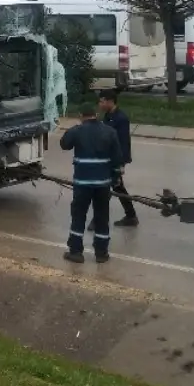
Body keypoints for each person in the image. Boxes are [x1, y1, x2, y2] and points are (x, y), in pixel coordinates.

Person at [59, 105, 124, 264]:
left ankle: (76, 252)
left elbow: (64, 144)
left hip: (83, 183)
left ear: (81, 115)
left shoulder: (77, 131)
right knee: (102, 216)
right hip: (102, 184)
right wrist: (115, 178)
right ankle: (101, 253)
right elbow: (117, 160)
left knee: (79, 215)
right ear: (96, 114)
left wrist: (73, 129)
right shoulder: (109, 132)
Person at [99, 89, 138, 227]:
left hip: (115, 160)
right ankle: (131, 215)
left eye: (102, 101)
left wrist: (122, 163)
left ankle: (98, 221)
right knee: (118, 188)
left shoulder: (121, 119)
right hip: (108, 158)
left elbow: (124, 142)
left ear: (110, 101)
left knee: (107, 188)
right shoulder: (108, 116)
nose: (100, 104)